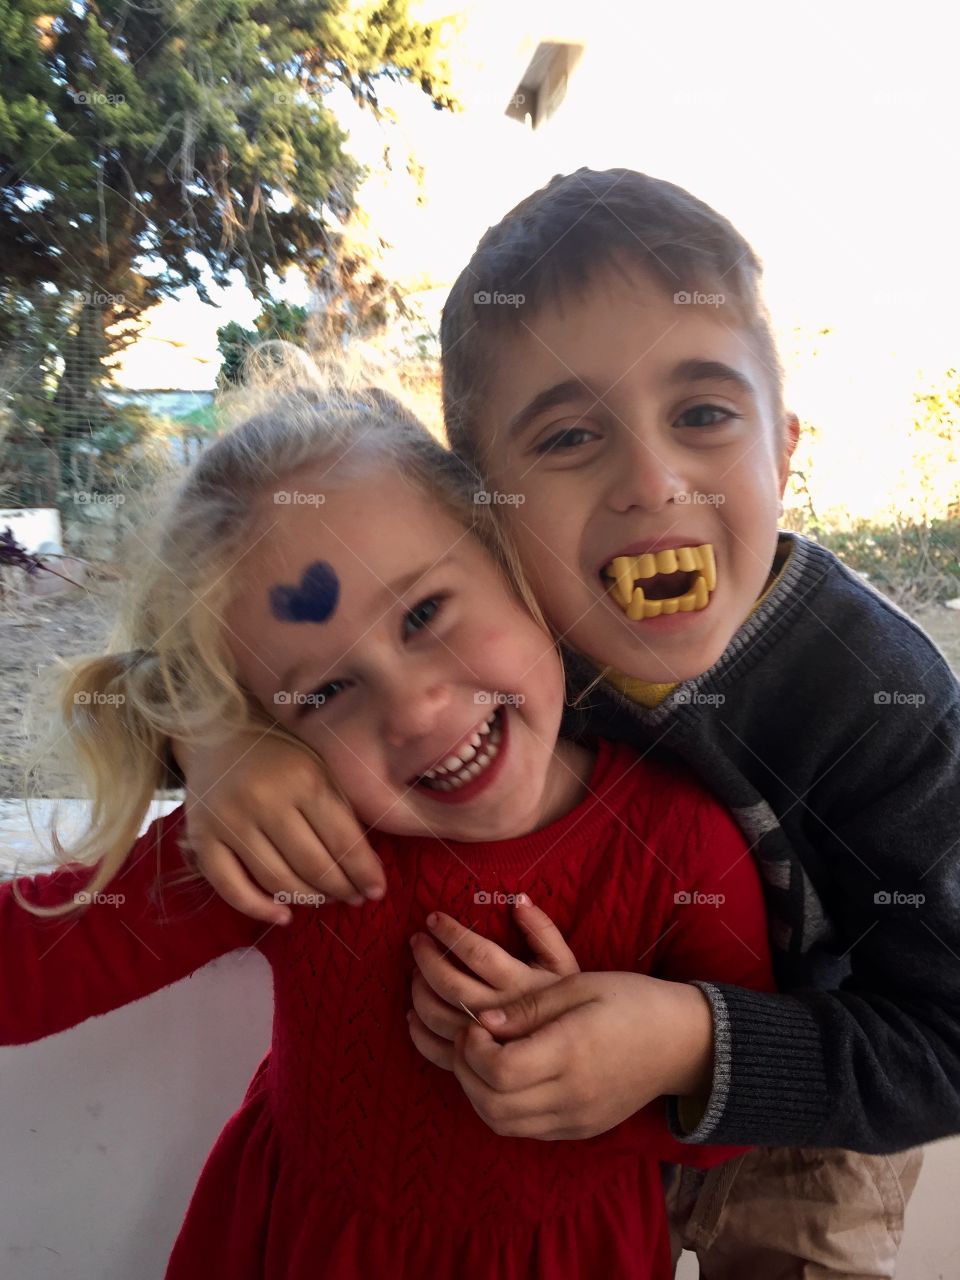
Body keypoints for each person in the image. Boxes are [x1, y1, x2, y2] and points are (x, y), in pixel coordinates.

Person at [176, 170, 960, 1278]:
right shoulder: (496, 623)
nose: (651, 481)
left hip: (815, 1107)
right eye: (568, 437)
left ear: (782, 447)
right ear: (480, 508)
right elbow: (234, 649)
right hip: (540, 1074)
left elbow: (946, 1035)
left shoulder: (884, 702)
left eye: (701, 413)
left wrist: (687, 1038)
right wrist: (220, 741)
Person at [1, 374, 774, 1279]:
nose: (414, 709)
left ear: (514, 563)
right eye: (325, 691)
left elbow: (739, 1128)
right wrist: (211, 742)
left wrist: (647, 1059)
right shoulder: (291, 839)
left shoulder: (681, 843)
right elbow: (28, 970)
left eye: (423, 614)